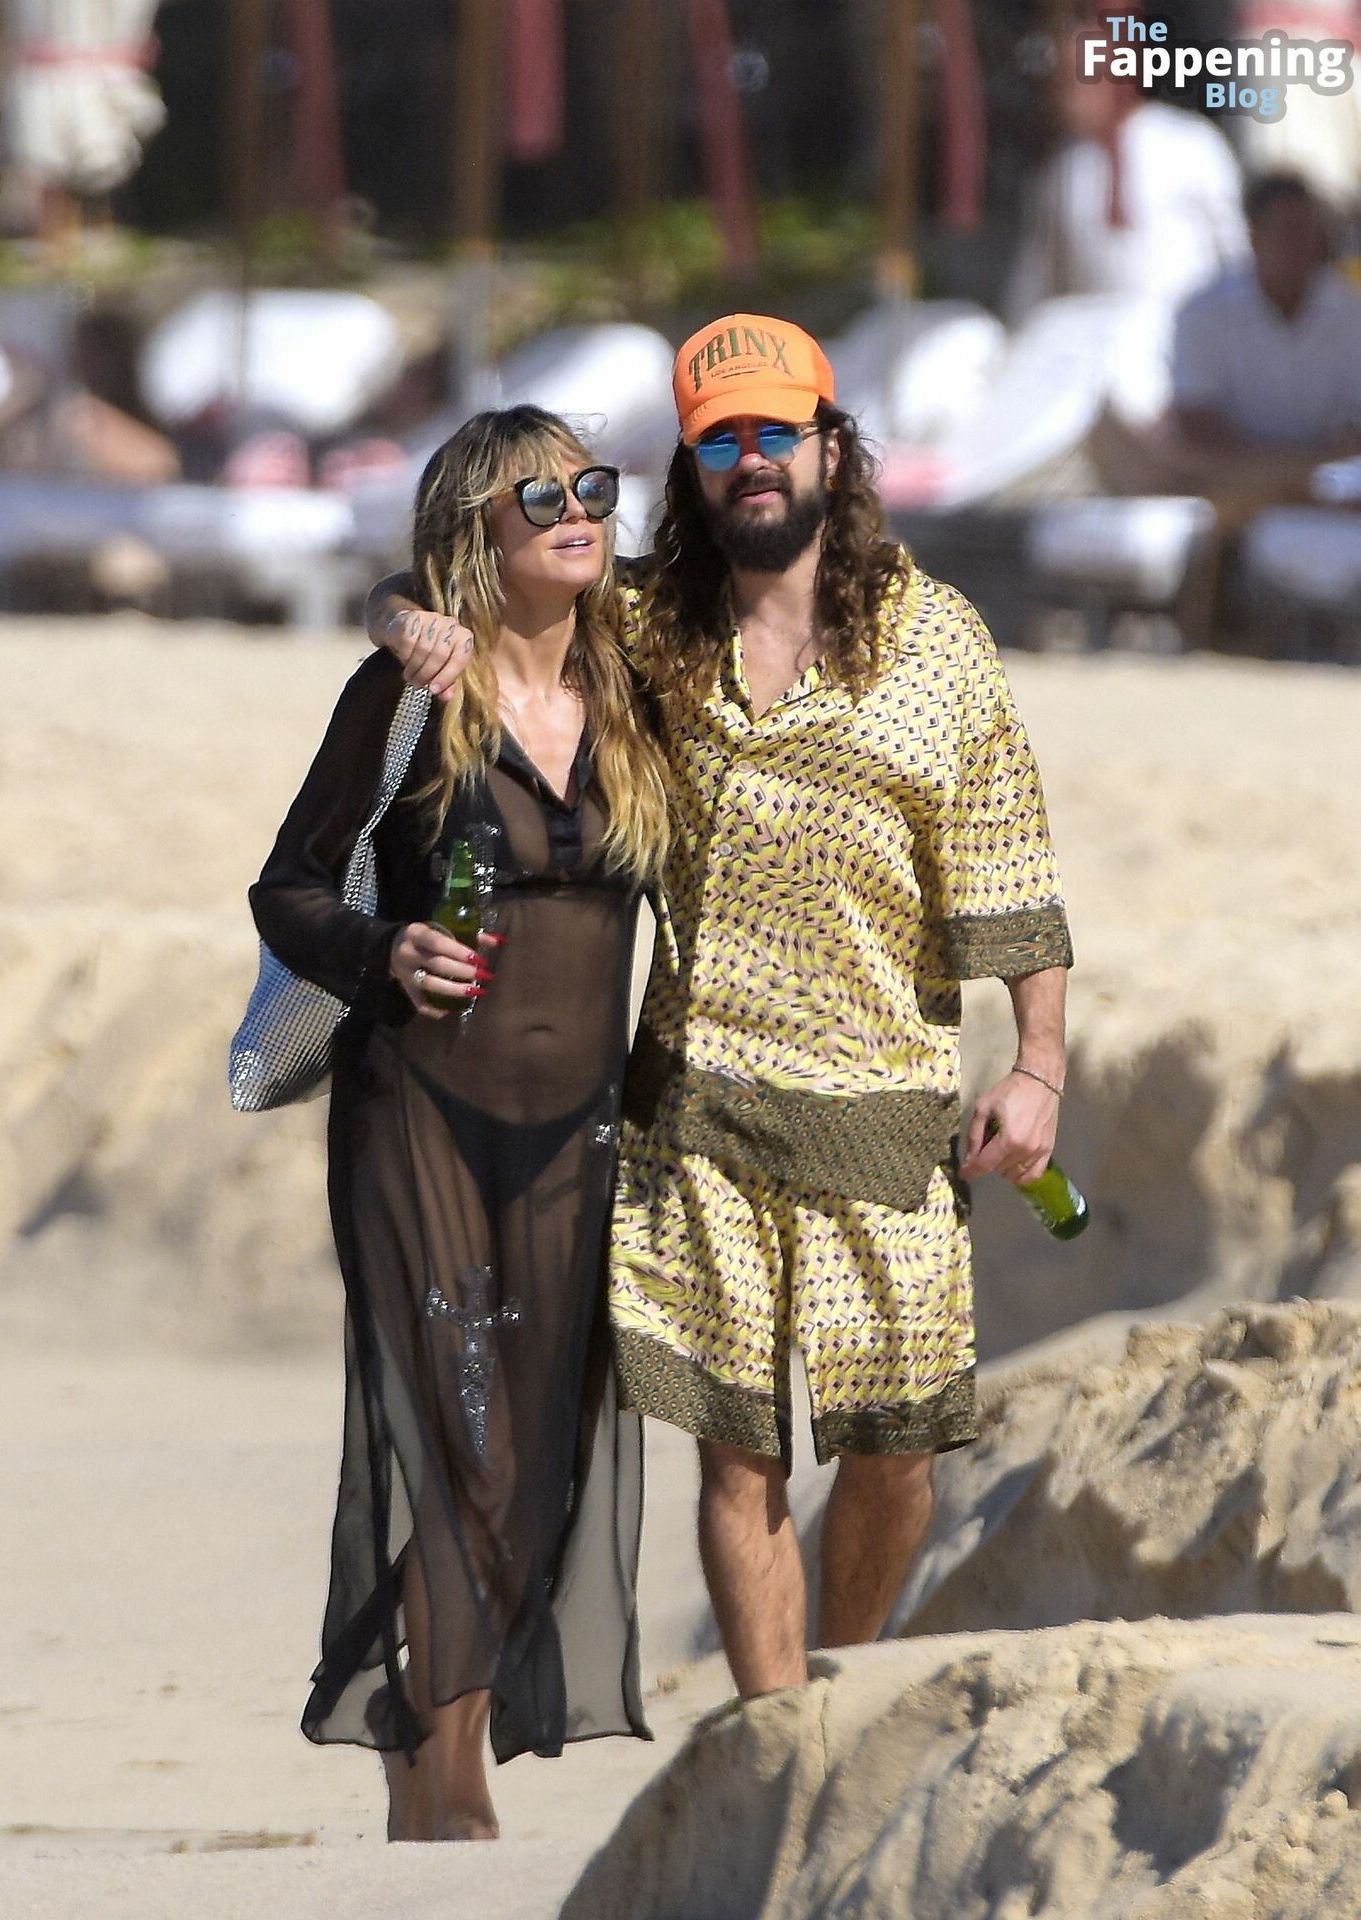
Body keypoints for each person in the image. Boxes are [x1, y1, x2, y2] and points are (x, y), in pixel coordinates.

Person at [369, 314, 1073, 1701]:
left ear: (830, 449)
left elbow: (1010, 867)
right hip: (699, 1105)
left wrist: (1038, 1063)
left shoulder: (937, 641)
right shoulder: (645, 626)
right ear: (691, 467)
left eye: (775, 434)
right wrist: (405, 623)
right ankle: (780, 1730)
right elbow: (443, 583)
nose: (751, 461)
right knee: (738, 1459)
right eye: (718, 441)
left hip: (886, 1101)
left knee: (895, 1453)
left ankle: (842, 1683)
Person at [248, 405, 668, 1842]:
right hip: (418, 1110)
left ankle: (424, 1746)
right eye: (538, 497)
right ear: (474, 533)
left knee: (535, 1458)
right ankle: (448, 1773)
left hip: (575, 1130)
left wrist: (392, 595)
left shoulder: (635, 680)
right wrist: (386, 950)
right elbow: (288, 888)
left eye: (592, 486)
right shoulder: (413, 694)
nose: (578, 511)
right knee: (465, 1441)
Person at [1006, 25, 1245, 323]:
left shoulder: (1191, 144)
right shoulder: (1062, 170)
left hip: (1186, 331)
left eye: (1079, 78)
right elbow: (1037, 276)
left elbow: (1234, 253)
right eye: (1062, 81)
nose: (1066, 97)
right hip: (1095, 338)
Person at [1169, 172, 1361, 459]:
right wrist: (1275, 470)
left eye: (1307, 232)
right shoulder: (1202, 312)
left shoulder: (1351, 309)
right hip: (1228, 473)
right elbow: (1195, 420)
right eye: (1286, 231)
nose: (1298, 246)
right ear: (1254, 235)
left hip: (1328, 474)